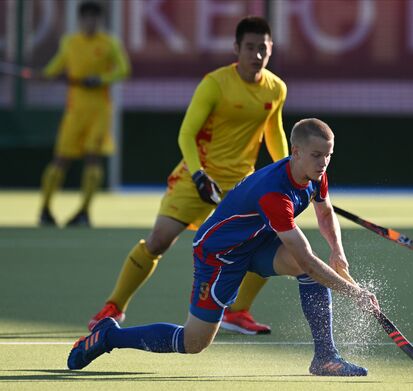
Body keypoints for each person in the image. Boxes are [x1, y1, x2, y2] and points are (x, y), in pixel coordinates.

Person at [67, 118, 379, 376]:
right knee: (194, 341)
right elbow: (309, 261)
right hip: (219, 255)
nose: (323, 162)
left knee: (301, 264)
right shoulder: (275, 194)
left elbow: (324, 212)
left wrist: (337, 250)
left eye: (328, 155)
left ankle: (325, 357)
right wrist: (355, 293)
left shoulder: (314, 174)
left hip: (255, 241)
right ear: (295, 152)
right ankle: (110, 336)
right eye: (316, 155)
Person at [88, 16, 288, 335]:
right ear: (237, 48)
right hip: (198, 177)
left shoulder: (276, 88)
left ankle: (236, 313)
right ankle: (114, 306)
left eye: (262, 48)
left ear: (271, 49)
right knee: (158, 241)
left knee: (270, 238)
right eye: (250, 47)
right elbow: (186, 134)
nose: (257, 55)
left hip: (241, 184)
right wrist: (198, 176)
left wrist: (287, 171)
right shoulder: (215, 83)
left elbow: (273, 133)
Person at [38, 1, 130, 227]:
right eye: (87, 18)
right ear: (80, 21)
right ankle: (45, 210)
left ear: (100, 21)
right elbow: (55, 67)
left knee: (93, 159)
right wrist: (45, 74)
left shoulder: (109, 43)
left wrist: (101, 79)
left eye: (95, 19)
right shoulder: (70, 43)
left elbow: (123, 70)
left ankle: (84, 212)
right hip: (75, 112)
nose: (91, 23)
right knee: (60, 159)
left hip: (99, 111)